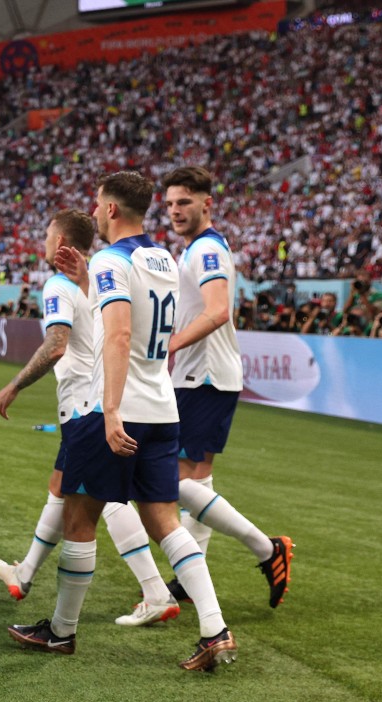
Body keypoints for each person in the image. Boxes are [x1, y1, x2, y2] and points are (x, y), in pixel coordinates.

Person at [8, 171, 236, 671]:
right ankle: (214, 628)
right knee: (166, 522)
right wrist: (89, 276)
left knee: (79, 516)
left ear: (110, 209)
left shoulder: (114, 259)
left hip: (116, 407)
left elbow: (117, 336)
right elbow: (139, 309)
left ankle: (62, 632)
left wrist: (109, 411)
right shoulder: (165, 259)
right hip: (161, 404)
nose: (93, 212)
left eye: (97, 204)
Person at [0, 209, 179, 626]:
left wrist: (15, 385)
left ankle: (145, 592)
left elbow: (57, 344)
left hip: (85, 406)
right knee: (61, 488)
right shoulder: (94, 280)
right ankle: (24, 574)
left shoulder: (60, 283)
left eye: (45, 234)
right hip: (99, 400)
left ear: (60, 242)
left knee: (98, 499)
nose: (41, 242)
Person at [162, 166, 293, 609]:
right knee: (196, 479)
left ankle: (265, 548)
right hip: (201, 376)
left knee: (174, 480)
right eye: (170, 204)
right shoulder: (196, 250)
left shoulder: (207, 250)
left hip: (206, 376)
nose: (176, 211)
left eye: (184, 202)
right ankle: (188, 576)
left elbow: (218, 311)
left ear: (206, 203)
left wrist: (170, 346)